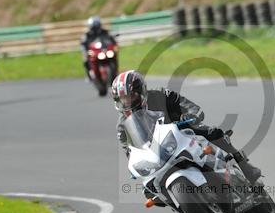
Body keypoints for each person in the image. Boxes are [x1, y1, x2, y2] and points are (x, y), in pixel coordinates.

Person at [111, 70, 262, 186]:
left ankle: (245, 166)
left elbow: (192, 107)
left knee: (212, 132)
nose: (128, 102)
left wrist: (191, 116)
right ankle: (190, 207)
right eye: (123, 99)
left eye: (131, 96)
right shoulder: (122, 125)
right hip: (159, 153)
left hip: (182, 133)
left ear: (142, 91)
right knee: (150, 190)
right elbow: (130, 151)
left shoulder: (162, 95)